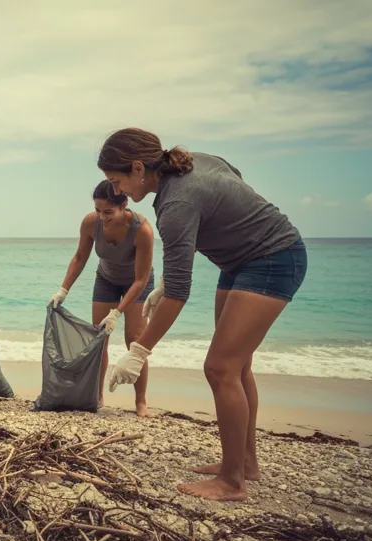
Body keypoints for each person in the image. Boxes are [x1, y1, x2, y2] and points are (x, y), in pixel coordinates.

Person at [99, 128, 306, 502]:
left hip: (273, 259)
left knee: (220, 368)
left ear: (137, 167)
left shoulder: (175, 203)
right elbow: (229, 192)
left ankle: (232, 482)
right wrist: (168, 279)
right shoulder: (193, 162)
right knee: (237, 366)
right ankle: (244, 462)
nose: (117, 191)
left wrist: (139, 351)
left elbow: (179, 292)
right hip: (239, 262)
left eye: (118, 181)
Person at [48, 180, 155, 416]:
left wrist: (117, 313)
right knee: (99, 338)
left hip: (137, 283)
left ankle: (141, 402)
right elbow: (79, 257)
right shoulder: (90, 222)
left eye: (108, 212)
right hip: (106, 280)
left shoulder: (142, 230)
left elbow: (140, 280)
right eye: (98, 211)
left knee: (135, 340)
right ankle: (96, 397)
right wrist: (63, 290)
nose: (102, 217)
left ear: (124, 205)